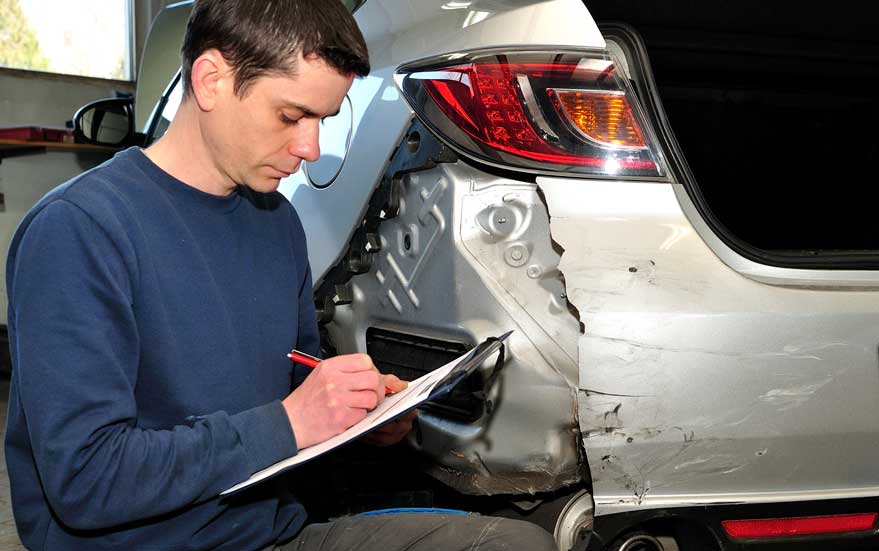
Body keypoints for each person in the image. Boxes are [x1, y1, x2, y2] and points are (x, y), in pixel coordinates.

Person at [3, 1, 558, 550]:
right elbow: (86, 479)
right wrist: (290, 423)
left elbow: (294, 373)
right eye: (291, 116)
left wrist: (358, 413)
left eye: (323, 120)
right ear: (212, 79)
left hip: (269, 534)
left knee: (514, 544)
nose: (310, 148)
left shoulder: (276, 222)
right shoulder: (79, 230)